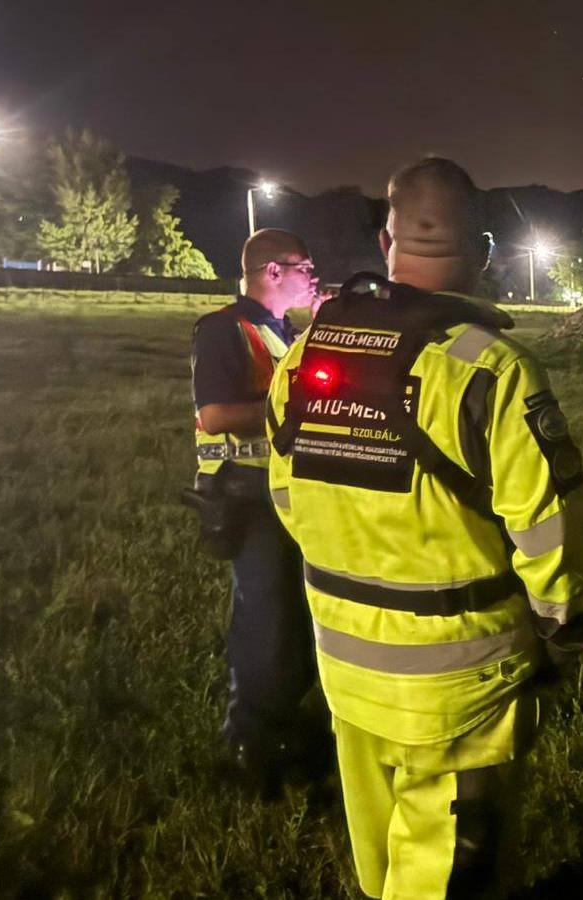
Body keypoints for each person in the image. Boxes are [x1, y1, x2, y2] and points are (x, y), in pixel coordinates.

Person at [265, 157, 583, 899]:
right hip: (461, 691)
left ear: (387, 242)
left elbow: (289, 501)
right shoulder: (492, 369)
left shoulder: (305, 357)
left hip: (346, 671)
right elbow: (551, 530)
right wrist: (566, 632)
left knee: (382, 868)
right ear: (483, 250)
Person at [187, 228, 324, 788]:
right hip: (245, 493)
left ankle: (285, 722)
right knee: (265, 617)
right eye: (305, 267)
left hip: (283, 491)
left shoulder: (279, 331)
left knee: (295, 613)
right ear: (273, 271)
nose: (313, 277)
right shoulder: (223, 328)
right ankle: (250, 741)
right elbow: (215, 415)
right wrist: (295, 408)